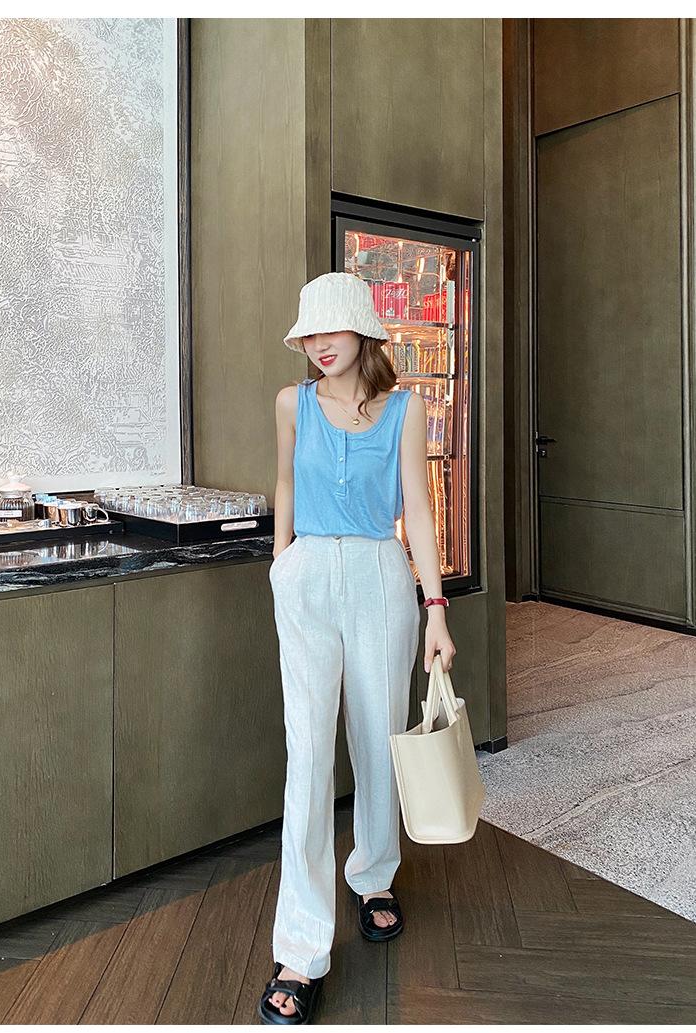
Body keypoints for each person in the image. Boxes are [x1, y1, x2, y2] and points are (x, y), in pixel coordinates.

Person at [258, 272, 456, 1025]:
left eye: (330, 329)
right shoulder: (292, 403)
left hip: (380, 574)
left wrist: (435, 608)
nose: (318, 344)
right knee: (308, 756)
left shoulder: (406, 409)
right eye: (308, 333)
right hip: (308, 574)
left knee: (379, 741)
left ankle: (373, 874)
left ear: (363, 330)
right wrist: (283, 566)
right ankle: (301, 947)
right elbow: (284, 484)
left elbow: (419, 511)